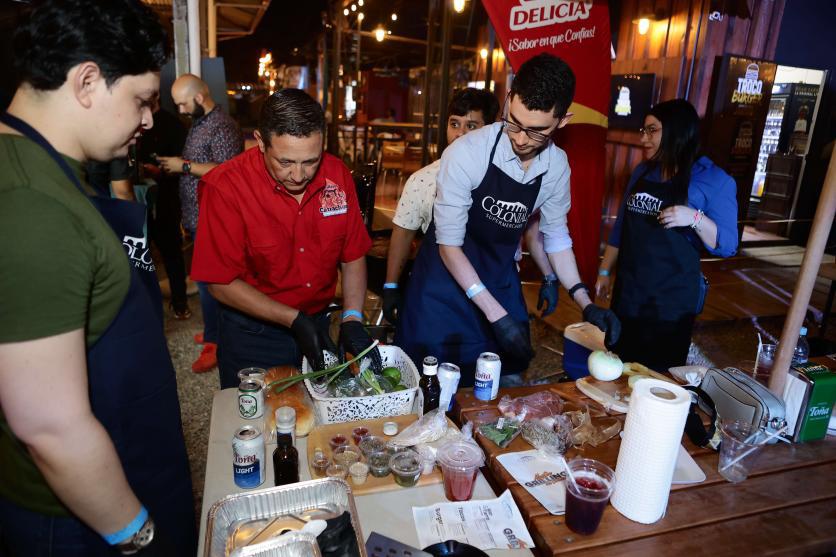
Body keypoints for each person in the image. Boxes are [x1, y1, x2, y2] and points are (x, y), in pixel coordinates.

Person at [0, 1, 195, 555]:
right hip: (78, 520)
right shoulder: (31, 203)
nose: (149, 120)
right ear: (87, 81)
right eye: (140, 100)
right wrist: (138, 535)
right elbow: (51, 428)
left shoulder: (52, 171)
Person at [395, 53, 620, 386]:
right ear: (509, 99)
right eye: (513, 122)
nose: (520, 138)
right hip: (442, 288)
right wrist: (496, 315)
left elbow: (556, 237)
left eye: (536, 131)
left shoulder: (556, 167)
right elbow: (449, 245)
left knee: (500, 391)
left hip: (497, 278)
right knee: (430, 390)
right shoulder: (466, 154)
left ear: (563, 121)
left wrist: (585, 302)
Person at [191, 88, 382, 389]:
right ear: (259, 142)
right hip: (253, 335)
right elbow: (219, 281)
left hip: (319, 325)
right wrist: (292, 319)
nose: (298, 175)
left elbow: (353, 253)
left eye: (310, 161)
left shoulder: (337, 174)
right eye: (285, 162)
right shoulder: (225, 187)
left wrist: (353, 318)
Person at [383, 88, 559, 323]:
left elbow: (530, 227)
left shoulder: (518, 178)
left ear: (492, 129)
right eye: (454, 124)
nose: (460, 134)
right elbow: (403, 235)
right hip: (442, 293)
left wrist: (549, 276)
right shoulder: (422, 180)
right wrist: (391, 286)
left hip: (499, 287)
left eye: (471, 126)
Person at [595, 99, 738, 370]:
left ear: (676, 131)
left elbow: (728, 245)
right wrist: (604, 271)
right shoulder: (643, 171)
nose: (643, 139)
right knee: (617, 367)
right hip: (629, 292)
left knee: (657, 376)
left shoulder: (714, 180)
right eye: (643, 131)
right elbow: (622, 226)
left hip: (670, 303)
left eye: (652, 131)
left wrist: (694, 218)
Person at [158, 74, 243, 373]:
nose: (179, 110)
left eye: (182, 104)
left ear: (197, 98)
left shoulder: (221, 125)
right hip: (199, 216)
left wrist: (182, 165)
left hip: (214, 217)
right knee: (205, 280)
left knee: (212, 283)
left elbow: (228, 171)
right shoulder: (200, 122)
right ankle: (212, 333)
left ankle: (217, 344)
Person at [140, 100, 192, 320]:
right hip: (140, 201)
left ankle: (180, 303)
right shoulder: (133, 122)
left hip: (166, 200)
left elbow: (183, 164)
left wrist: (159, 170)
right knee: (141, 256)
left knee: (171, 253)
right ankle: (146, 307)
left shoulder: (173, 125)